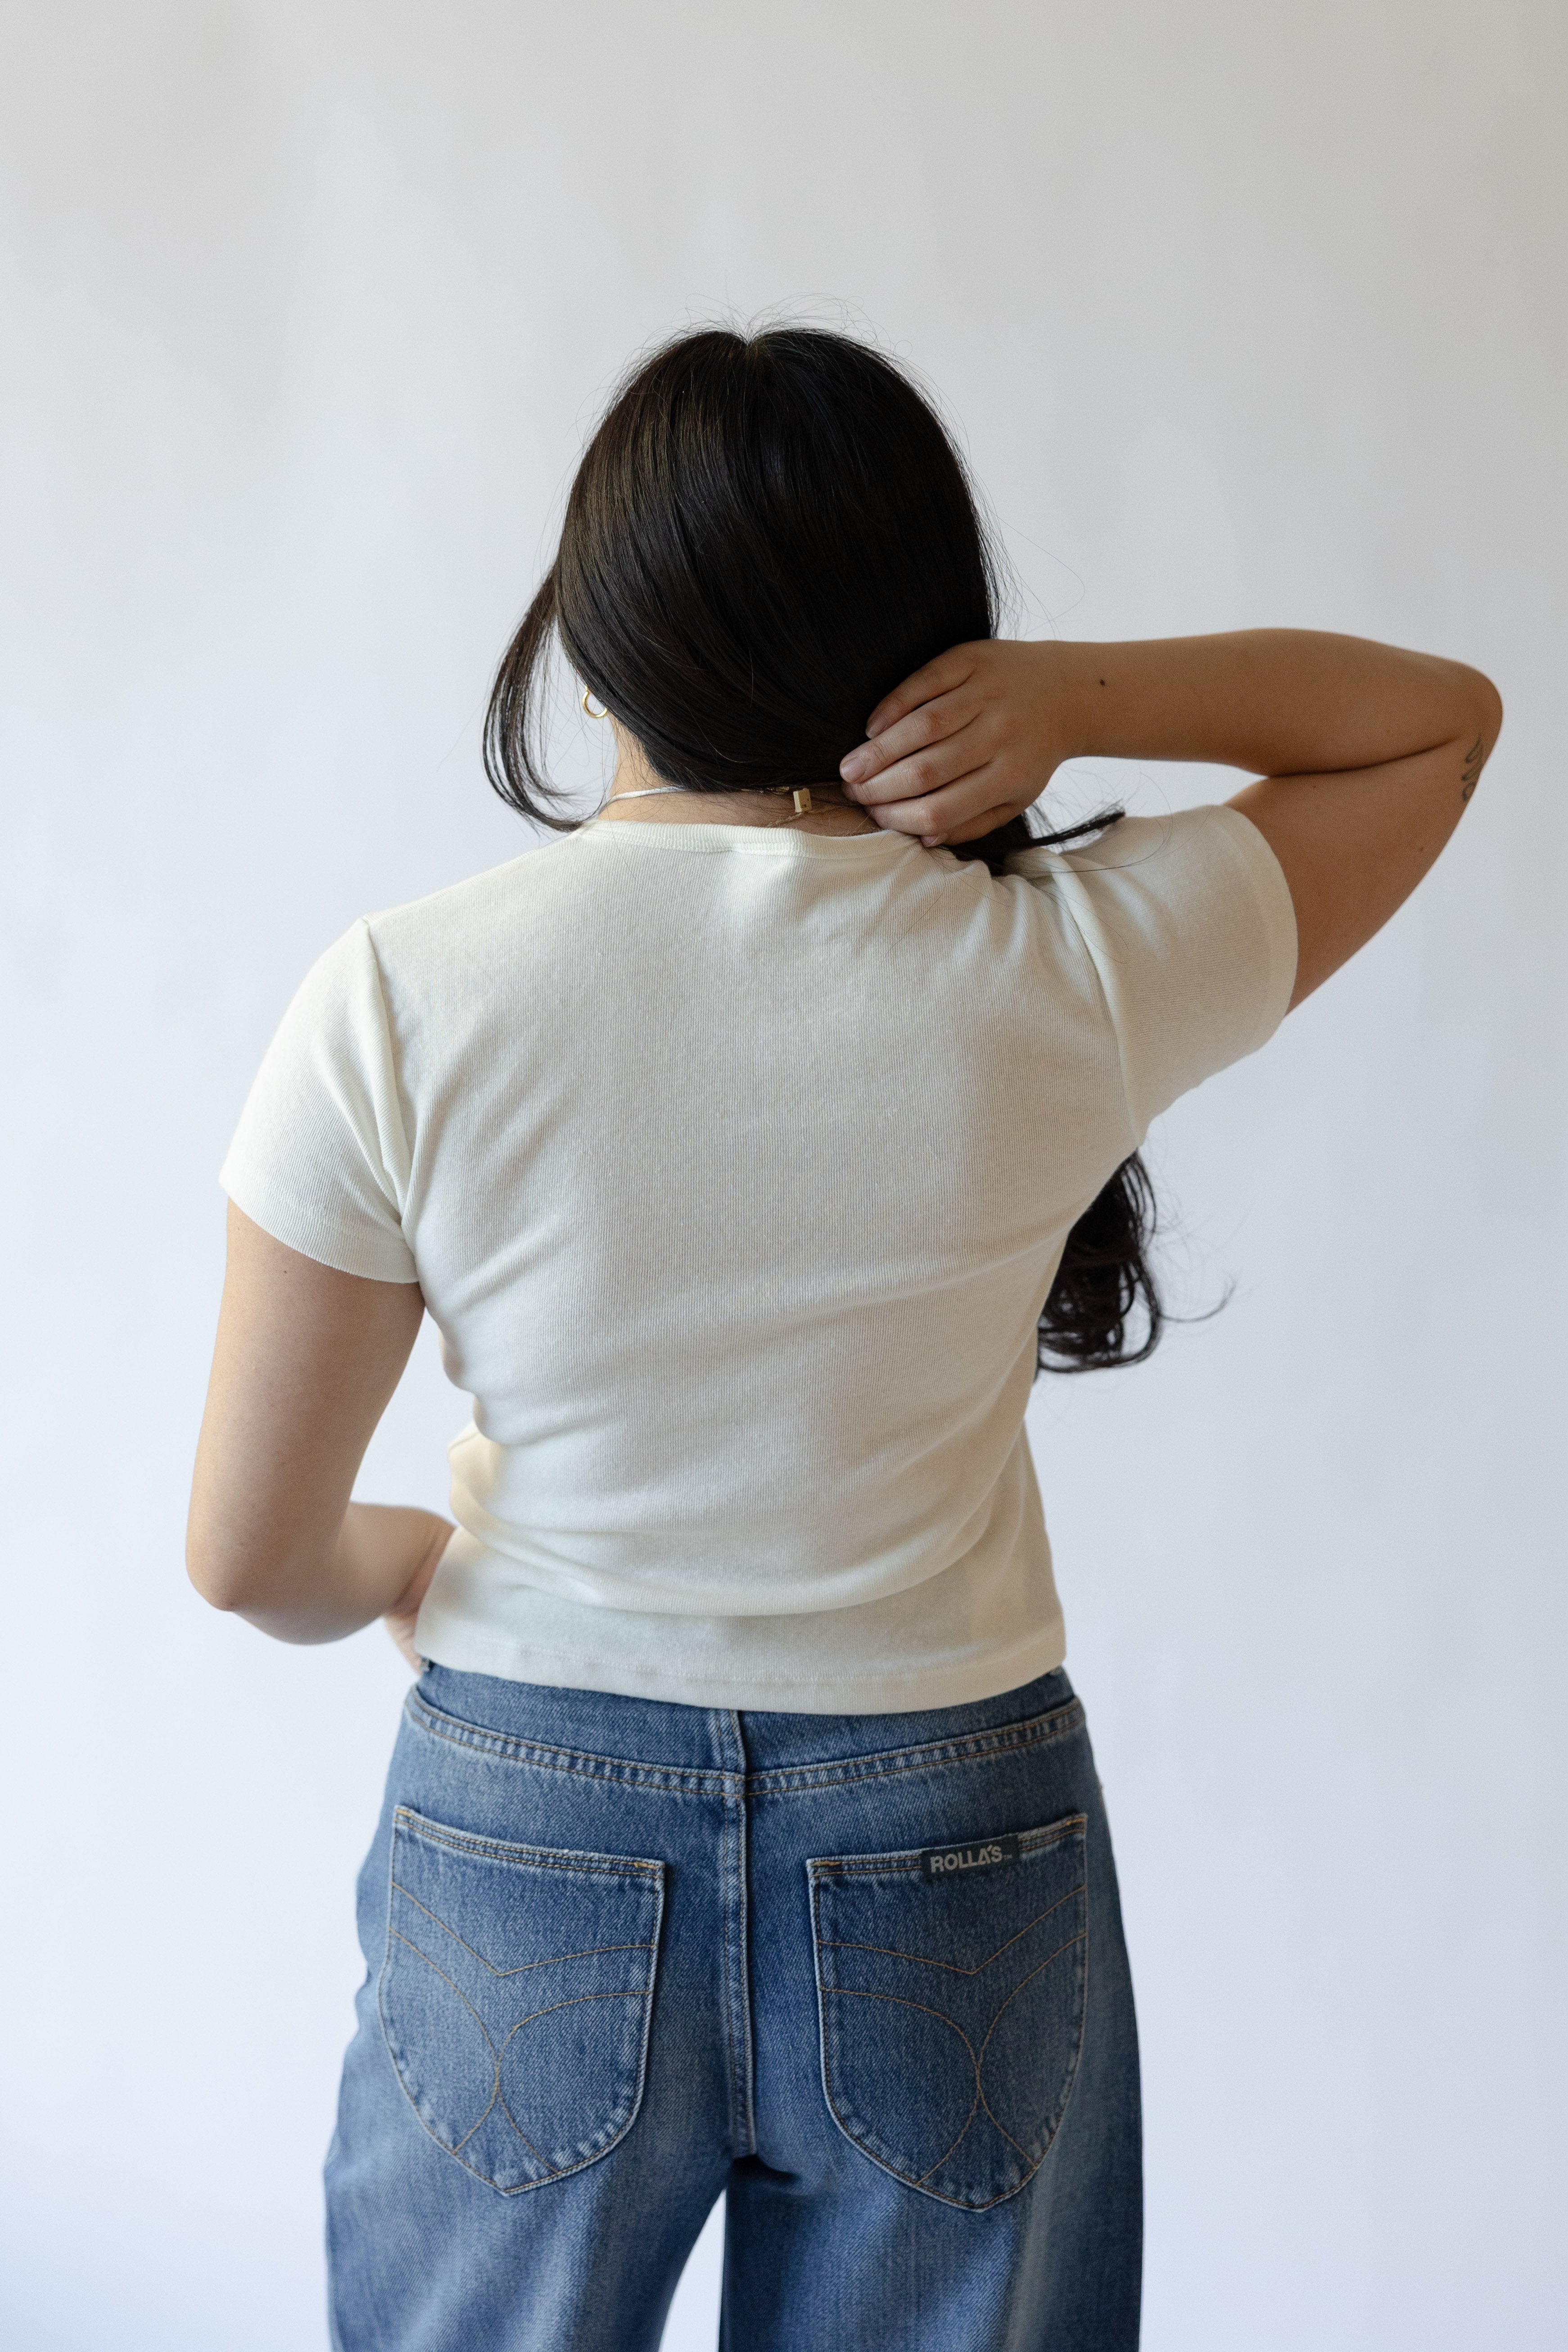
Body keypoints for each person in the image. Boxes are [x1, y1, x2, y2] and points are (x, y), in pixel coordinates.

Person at [186, 326, 1500, 2352]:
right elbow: (1433, 727)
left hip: (531, 1805)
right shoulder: (1070, 970)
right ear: (926, 648)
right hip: (950, 1825)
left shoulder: (397, 999)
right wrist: (1073, 700)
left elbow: (246, 1556)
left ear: (592, 638)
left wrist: (412, 1566)